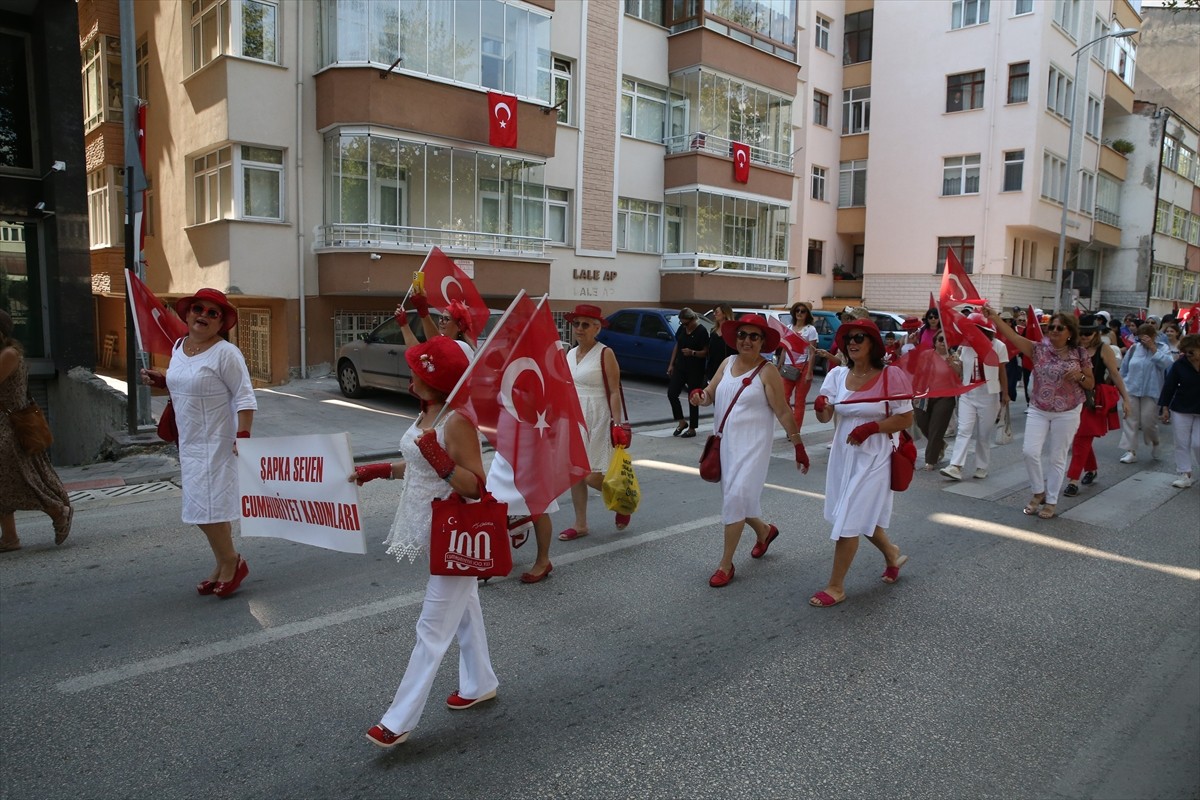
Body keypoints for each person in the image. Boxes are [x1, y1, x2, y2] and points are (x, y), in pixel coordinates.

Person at [352, 337, 497, 748]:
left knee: (432, 629)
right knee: (464, 608)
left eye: (418, 367)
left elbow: (474, 486)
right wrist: (380, 470)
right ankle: (480, 682)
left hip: (455, 535)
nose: (409, 369)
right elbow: (417, 465)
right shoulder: (429, 412)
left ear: (432, 378)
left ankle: (398, 720)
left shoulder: (456, 421)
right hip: (431, 527)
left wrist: (442, 460)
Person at [141, 289, 256, 595]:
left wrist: (242, 436)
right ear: (188, 313)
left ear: (221, 323)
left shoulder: (226, 353)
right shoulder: (180, 346)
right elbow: (187, 378)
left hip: (218, 442)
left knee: (206, 510)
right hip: (188, 441)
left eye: (212, 313)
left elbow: (245, 398)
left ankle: (232, 561)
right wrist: (163, 379)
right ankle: (223, 564)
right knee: (208, 508)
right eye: (197, 309)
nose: (202, 315)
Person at [689, 314, 808, 588]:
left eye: (754, 336)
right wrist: (700, 396)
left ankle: (725, 564)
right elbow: (709, 394)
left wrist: (798, 445)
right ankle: (765, 531)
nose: (747, 340)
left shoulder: (767, 371)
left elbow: (782, 410)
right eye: (742, 335)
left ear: (763, 341)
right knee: (739, 500)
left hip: (752, 449)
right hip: (726, 446)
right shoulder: (726, 363)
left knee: (735, 499)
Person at [810, 319, 912, 607]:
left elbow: (906, 418)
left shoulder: (892, 376)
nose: (852, 343)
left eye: (859, 338)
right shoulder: (837, 375)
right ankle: (892, 553)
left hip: (876, 456)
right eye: (848, 339)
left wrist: (871, 428)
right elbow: (825, 417)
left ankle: (836, 587)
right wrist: (821, 408)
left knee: (850, 517)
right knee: (857, 512)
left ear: (873, 344)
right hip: (844, 455)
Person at [983, 307, 1091, 519]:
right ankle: (1038, 491)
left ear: (1070, 332)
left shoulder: (1079, 353)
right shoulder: (1039, 348)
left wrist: (1079, 376)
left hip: (1067, 410)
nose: (1054, 330)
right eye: (1051, 327)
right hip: (1039, 408)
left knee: (1057, 457)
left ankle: (1051, 501)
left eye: (1060, 327)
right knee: (1030, 452)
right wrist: (994, 317)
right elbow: (1012, 336)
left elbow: (1091, 382)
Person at [0, 309, 73, 552]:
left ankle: (56, 509)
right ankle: (10, 538)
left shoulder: (9, 355)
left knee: (22, 480)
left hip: (9, 428)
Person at [559, 304, 626, 541]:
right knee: (574, 472)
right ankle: (580, 524)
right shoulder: (569, 353)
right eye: (576, 324)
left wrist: (617, 424)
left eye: (585, 324)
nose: (579, 328)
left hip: (597, 415)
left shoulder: (605, 353)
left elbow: (615, 391)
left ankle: (621, 500)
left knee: (591, 475)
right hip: (574, 417)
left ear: (597, 328)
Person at [1063, 315, 1132, 497]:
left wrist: (1126, 398)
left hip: (1093, 400)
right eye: (1082, 332)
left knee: (1081, 438)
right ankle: (1091, 469)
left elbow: (1115, 375)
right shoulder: (1073, 348)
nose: (1085, 336)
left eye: (1089, 333)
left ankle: (1073, 480)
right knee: (1079, 437)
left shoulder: (1104, 349)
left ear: (1096, 332)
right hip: (1072, 398)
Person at [940, 314, 1009, 481]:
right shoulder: (965, 347)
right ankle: (955, 466)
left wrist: (1005, 394)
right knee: (963, 430)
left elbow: (1002, 372)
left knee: (983, 435)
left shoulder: (998, 346)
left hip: (989, 395)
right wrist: (952, 363)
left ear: (983, 330)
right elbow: (960, 371)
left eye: (973, 329)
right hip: (968, 395)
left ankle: (981, 466)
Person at [1117, 323, 1175, 464]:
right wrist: (1122, 387)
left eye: (1147, 338)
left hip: (1152, 391)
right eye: (1141, 338)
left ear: (1154, 336)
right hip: (1132, 389)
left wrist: (1153, 348)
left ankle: (1155, 442)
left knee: (1148, 421)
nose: (1143, 341)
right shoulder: (1133, 349)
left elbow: (1168, 364)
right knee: (1130, 420)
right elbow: (1124, 370)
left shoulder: (1163, 348)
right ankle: (1131, 451)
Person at [1158, 334, 1200, 488]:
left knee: (1198, 443)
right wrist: (1165, 407)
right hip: (1182, 407)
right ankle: (1185, 473)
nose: (1187, 355)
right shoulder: (1180, 365)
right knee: (1181, 442)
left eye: (1191, 352)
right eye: (1185, 352)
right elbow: (1169, 386)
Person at [913, 331, 959, 469]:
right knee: (922, 422)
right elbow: (918, 373)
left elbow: (959, 376)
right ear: (935, 341)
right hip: (926, 395)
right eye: (940, 339)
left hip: (945, 397)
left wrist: (953, 365)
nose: (942, 342)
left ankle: (930, 460)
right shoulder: (926, 355)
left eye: (945, 340)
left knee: (936, 427)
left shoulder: (954, 356)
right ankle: (940, 444)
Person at [777, 302, 820, 430]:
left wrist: (809, 372)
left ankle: (795, 430)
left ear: (807, 314)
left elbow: (812, 352)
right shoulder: (789, 327)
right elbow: (784, 349)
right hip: (789, 366)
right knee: (784, 398)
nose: (800, 313)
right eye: (797, 311)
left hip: (803, 366)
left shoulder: (811, 330)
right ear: (794, 313)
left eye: (803, 311)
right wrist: (779, 365)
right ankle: (790, 424)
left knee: (799, 401)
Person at [667, 307, 709, 438]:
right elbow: (677, 346)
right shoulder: (682, 329)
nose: (684, 325)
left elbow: (706, 352)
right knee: (672, 393)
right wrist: (671, 364)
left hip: (695, 368)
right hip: (681, 366)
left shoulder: (701, 331)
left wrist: (693, 352)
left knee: (693, 397)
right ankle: (681, 421)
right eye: (681, 323)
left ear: (692, 320)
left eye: (685, 323)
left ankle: (692, 427)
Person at [705, 304, 734, 382]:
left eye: (717, 312)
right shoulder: (713, 331)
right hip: (712, 368)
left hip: (727, 368)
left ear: (724, 314)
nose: (714, 314)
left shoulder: (732, 331)